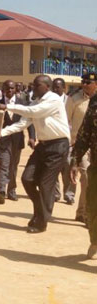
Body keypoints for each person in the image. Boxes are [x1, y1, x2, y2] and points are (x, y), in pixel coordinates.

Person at [0, 75, 70, 233]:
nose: (33, 88)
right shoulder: (36, 102)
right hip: (43, 146)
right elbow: (23, 123)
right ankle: (39, 210)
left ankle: (41, 221)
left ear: (47, 87)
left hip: (58, 146)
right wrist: (0, 133)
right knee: (27, 179)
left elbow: (34, 112)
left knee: (45, 184)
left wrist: (7, 107)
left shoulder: (54, 100)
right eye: (33, 85)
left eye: (37, 85)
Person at [0, 80, 35, 203]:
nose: (10, 90)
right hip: (3, 140)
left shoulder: (23, 104)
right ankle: (1, 191)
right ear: (3, 90)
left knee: (13, 166)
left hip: (17, 140)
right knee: (4, 164)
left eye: (12, 88)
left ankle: (11, 190)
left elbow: (29, 122)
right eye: (7, 88)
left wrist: (32, 137)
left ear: (16, 89)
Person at [70, 92, 97, 259]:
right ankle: (95, 240)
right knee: (93, 206)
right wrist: (75, 161)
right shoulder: (95, 102)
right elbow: (84, 133)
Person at [67, 73, 97, 223]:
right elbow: (65, 121)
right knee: (85, 177)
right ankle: (86, 215)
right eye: (83, 82)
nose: (84, 85)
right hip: (80, 145)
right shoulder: (73, 99)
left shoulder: (95, 101)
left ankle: (81, 211)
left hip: (94, 147)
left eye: (88, 82)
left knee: (90, 181)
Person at [52, 78, 69, 203]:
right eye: (54, 87)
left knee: (67, 167)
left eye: (58, 87)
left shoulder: (70, 101)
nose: (55, 89)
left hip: (68, 138)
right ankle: (56, 194)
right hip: (53, 138)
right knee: (54, 167)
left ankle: (69, 194)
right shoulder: (49, 101)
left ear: (64, 88)